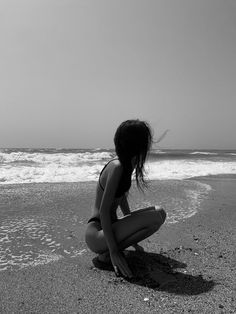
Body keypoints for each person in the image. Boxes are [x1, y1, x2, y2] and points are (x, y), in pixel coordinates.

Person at [85, 119, 166, 279]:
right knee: (158, 214)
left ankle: (111, 250)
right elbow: (103, 211)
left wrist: (132, 232)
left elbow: (121, 199)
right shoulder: (117, 167)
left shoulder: (127, 165)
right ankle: (108, 254)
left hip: (108, 229)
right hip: (96, 233)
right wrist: (115, 251)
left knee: (159, 215)